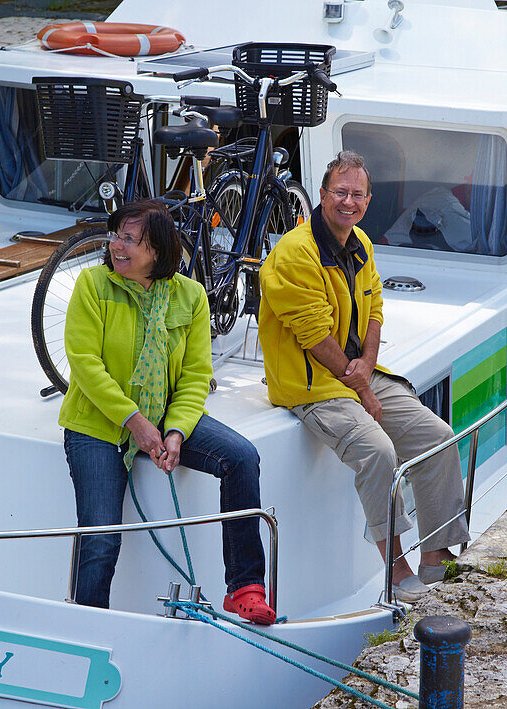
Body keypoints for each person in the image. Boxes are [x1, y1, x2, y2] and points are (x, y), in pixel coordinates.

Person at [258, 151, 470, 602]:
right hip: (311, 384)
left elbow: (374, 309)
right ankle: (396, 566)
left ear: (369, 200)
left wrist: (367, 368)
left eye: (357, 194)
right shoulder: (295, 254)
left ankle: (436, 554)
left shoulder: (361, 242)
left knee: (437, 435)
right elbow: (314, 336)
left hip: (356, 373)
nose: (348, 201)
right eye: (340, 192)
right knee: (377, 451)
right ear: (321, 194)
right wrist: (361, 389)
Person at [59, 199, 276, 624]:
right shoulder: (92, 284)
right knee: (101, 538)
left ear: (157, 250)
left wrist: (174, 431)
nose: (116, 247)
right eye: (116, 236)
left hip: (165, 415)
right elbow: (84, 363)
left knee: (241, 456)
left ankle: (244, 588)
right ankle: (88, 627)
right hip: (98, 424)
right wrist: (135, 422)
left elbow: (197, 375)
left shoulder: (191, 295)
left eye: (129, 239)